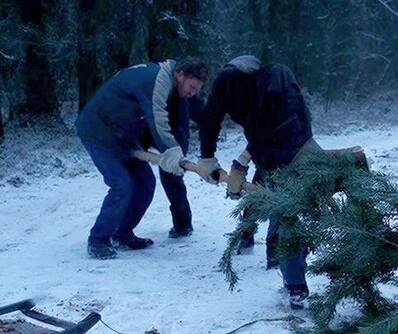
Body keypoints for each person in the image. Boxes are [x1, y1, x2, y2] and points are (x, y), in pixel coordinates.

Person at [196, 55, 313, 308]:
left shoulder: (264, 82)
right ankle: (260, 246)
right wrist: (209, 157)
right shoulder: (258, 81)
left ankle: (293, 284)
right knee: (267, 196)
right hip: (280, 150)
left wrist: (237, 162)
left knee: (284, 212)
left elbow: (268, 127)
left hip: (287, 151)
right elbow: (213, 119)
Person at [76, 57, 208, 259]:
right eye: (192, 87)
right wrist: (172, 152)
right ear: (180, 75)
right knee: (121, 184)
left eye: (196, 90)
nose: (192, 93)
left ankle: (122, 233)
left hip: (124, 136)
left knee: (145, 183)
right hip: (98, 132)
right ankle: (98, 240)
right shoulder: (154, 81)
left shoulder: (168, 82)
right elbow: (158, 120)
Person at [139, 93, 204, 239]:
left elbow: (199, 110)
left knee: (172, 178)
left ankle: (183, 224)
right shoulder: (149, 84)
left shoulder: (180, 85)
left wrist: (209, 124)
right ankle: (122, 229)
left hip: (174, 133)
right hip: (144, 131)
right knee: (137, 177)